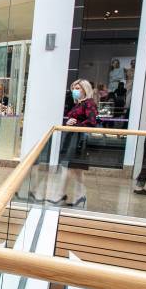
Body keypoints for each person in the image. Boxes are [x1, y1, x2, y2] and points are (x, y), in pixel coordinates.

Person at [54, 79, 99, 207]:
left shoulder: (89, 103)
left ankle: (60, 195)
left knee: (67, 168)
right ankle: (80, 198)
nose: (75, 90)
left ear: (85, 89)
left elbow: (92, 122)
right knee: (78, 171)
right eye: (74, 88)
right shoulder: (79, 104)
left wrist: (77, 124)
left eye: (78, 88)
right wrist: (69, 122)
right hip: (72, 138)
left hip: (79, 140)